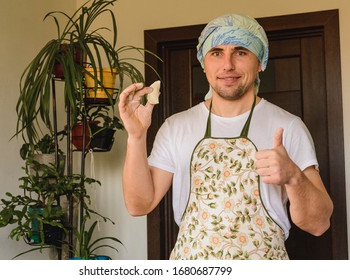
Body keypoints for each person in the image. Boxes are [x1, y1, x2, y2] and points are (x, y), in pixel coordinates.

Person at [118, 14, 333, 260]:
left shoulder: (288, 126)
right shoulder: (176, 126)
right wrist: (136, 137)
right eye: (216, 53)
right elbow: (139, 205)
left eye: (241, 52)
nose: (227, 65)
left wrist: (294, 177)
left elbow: (319, 224)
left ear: (260, 61)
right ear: (204, 62)